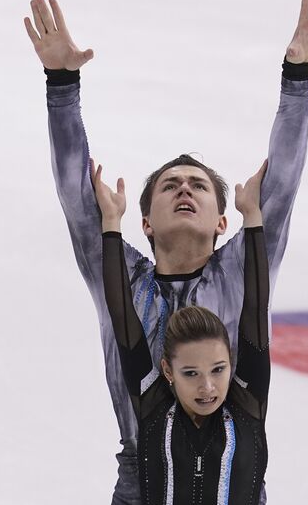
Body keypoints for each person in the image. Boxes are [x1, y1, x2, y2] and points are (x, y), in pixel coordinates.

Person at [24, 0, 308, 504]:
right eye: (170, 186)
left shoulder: (239, 272)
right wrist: (62, 84)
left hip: (235, 473)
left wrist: (298, 77)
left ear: (222, 220)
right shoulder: (121, 280)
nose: (185, 189)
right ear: (144, 222)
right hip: (141, 482)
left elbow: (279, 188)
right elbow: (79, 202)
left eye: (198, 186)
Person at [98, 157, 270, 504]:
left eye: (218, 370)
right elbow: (121, 316)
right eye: (190, 372)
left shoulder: (248, 405)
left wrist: (253, 216)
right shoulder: (154, 407)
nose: (207, 386)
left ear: (231, 363)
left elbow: (255, 308)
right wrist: (111, 223)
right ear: (167, 372)